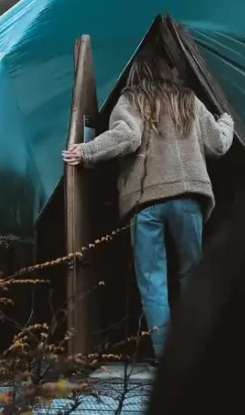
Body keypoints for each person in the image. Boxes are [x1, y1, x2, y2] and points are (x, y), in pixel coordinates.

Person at [62, 49, 234, 360]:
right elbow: (218, 144)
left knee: (153, 280)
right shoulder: (189, 100)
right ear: (168, 70)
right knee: (192, 274)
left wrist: (85, 151)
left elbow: (125, 137)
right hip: (188, 199)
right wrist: (226, 122)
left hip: (147, 203)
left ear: (134, 72)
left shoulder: (132, 101)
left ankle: (165, 356)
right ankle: (196, 354)